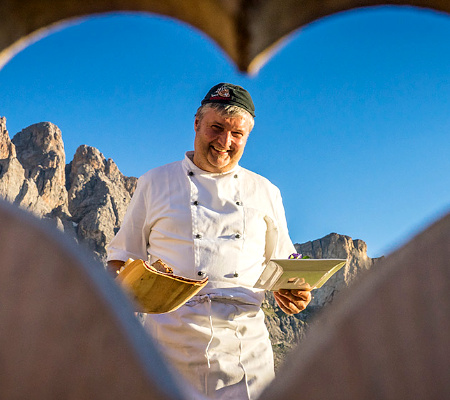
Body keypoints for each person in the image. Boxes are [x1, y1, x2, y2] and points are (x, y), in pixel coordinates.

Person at [106, 83, 311, 399]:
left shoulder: (266, 191)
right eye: (216, 128)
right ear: (197, 123)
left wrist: (297, 293)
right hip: (169, 349)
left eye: (237, 134)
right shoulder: (155, 182)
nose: (224, 142)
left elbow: (287, 266)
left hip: (246, 356)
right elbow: (120, 257)